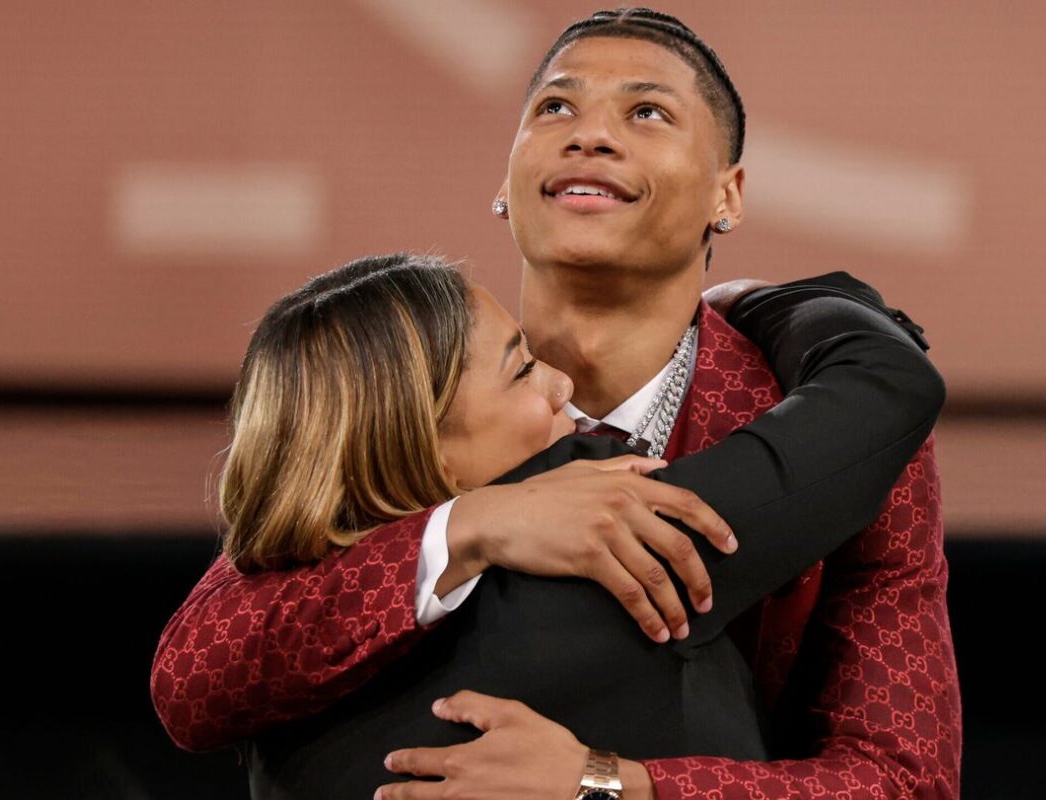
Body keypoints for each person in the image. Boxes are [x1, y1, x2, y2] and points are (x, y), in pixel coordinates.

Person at [152, 8, 960, 799]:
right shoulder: (409, 386)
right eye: (555, 106)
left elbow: (901, 777)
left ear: (728, 196)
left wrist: (607, 785)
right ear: (504, 185)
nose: (591, 133)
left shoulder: (840, 430)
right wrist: (472, 525)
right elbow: (201, 669)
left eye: (647, 111)